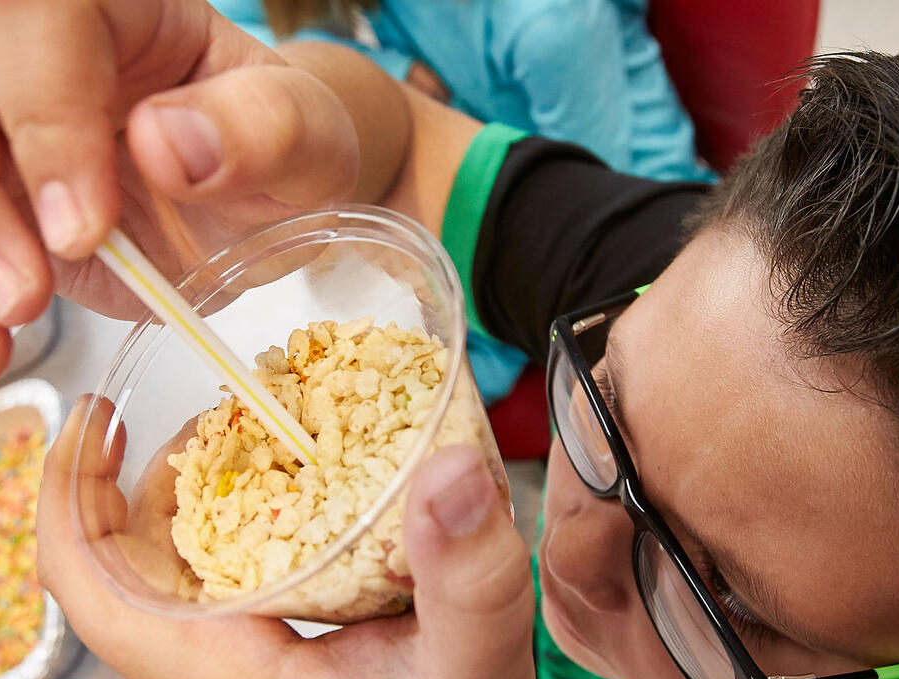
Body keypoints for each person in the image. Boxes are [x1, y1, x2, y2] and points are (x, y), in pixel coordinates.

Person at [0, 1, 899, 679]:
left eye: (715, 598)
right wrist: (236, 122)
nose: (559, 553)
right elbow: (402, 145)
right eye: (601, 406)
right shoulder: (704, 306)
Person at [211, 0, 714, 405]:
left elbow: (585, 216)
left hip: (646, 234)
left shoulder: (550, 22)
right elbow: (231, 24)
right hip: (496, 173)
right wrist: (390, 67)